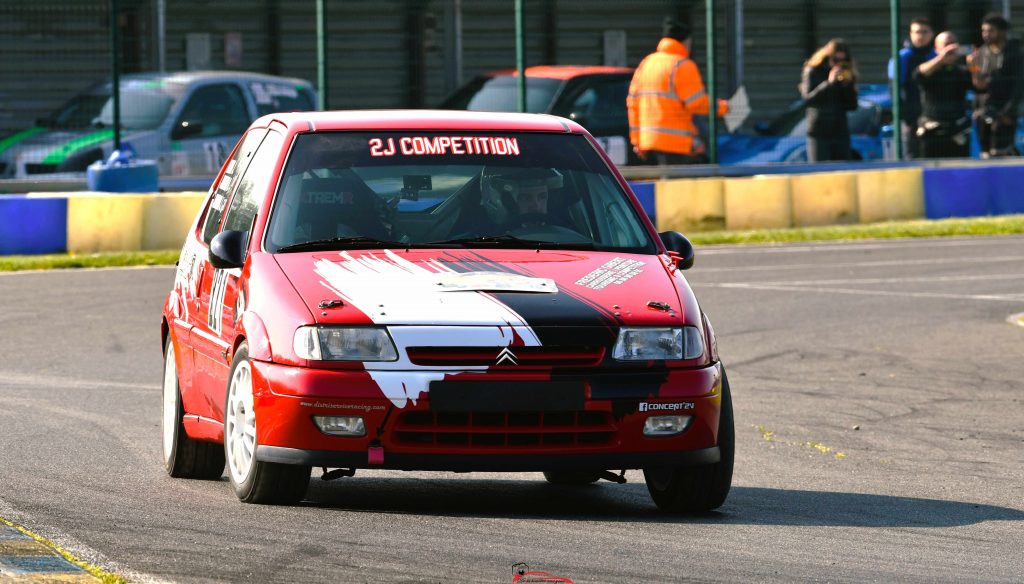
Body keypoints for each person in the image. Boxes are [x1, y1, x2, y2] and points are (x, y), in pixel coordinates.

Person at [626, 16, 728, 165]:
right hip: (674, 146)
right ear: (686, 41)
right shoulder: (683, 66)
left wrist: (636, 140)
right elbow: (697, 103)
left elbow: (632, 103)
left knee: (656, 187)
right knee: (676, 187)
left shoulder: (646, 63)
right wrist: (724, 107)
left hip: (647, 144)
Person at [969, 13, 1024, 157]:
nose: (986, 34)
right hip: (987, 109)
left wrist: (1009, 111)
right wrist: (973, 68)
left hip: (1009, 110)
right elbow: (979, 86)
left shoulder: (1015, 53)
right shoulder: (982, 53)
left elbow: (1019, 85)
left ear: (1002, 32)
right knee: (987, 152)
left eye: (990, 30)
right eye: (983, 31)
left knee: (1005, 150)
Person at [913, 31, 974, 158]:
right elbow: (918, 74)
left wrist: (974, 67)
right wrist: (941, 58)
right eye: (946, 44)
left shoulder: (961, 70)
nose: (950, 48)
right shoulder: (931, 68)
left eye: (953, 44)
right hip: (932, 130)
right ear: (936, 48)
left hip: (957, 129)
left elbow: (979, 87)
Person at [800, 38, 859, 162]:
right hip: (819, 131)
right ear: (828, 57)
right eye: (836, 60)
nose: (839, 64)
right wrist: (829, 83)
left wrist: (847, 86)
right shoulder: (813, 71)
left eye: (844, 60)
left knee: (843, 173)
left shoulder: (846, 73)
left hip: (840, 131)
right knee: (819, 173)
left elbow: (852, 106)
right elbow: (808, 99)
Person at [888, 18, 936, 158]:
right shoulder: (902, 58)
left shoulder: (936, 57)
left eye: (924, 32)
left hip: (933, 117)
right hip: (910, 120)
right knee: (911, 156)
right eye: (916, 32)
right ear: (910, 34)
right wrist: (906, 118)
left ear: (932, 34)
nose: (920, 36)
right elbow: (894, 90)